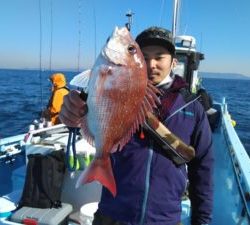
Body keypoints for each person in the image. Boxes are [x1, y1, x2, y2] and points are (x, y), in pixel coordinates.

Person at [59, 26, 214, 225]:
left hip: (165, 219)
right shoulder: (115, 84)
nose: (152, 64)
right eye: (145, 56)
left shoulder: (193, 107)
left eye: (159, 57)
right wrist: (71, 111)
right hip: (112, 214)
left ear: (174, 62)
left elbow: (203, 168)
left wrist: (202, 221)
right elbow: (85, 111)